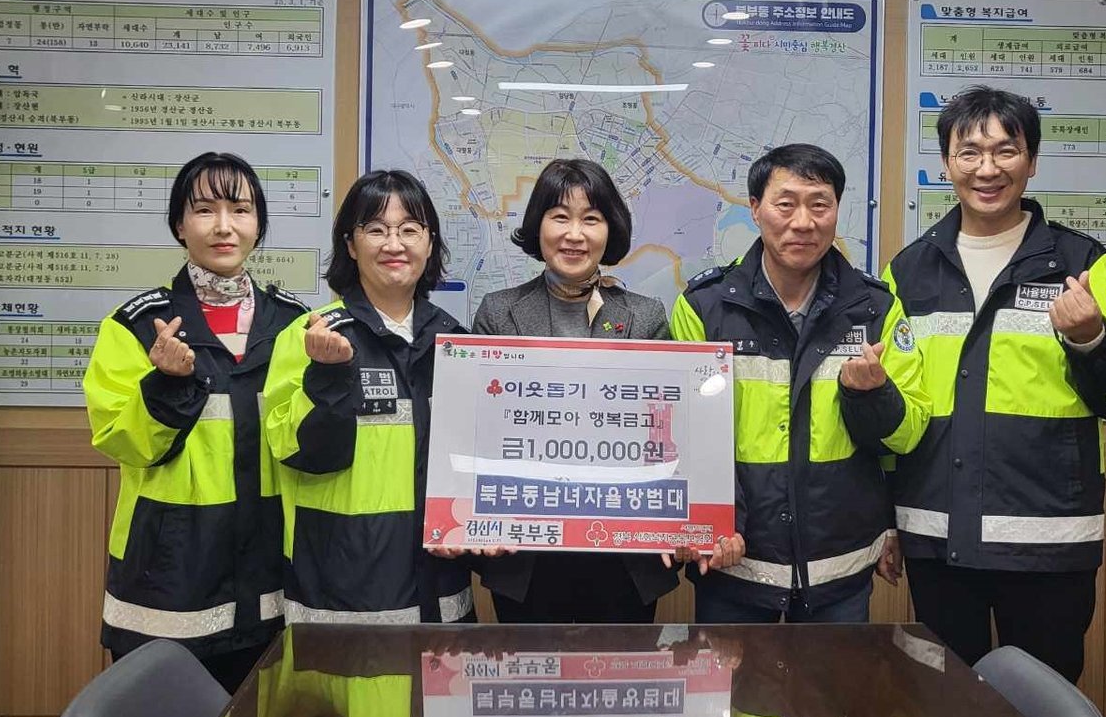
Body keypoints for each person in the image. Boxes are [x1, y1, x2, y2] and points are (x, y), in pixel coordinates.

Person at [885, 85, 1106, 682]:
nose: (987, 169)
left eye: (1005, 151)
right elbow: (894, 408)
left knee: (1041, 704)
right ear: (946, 164)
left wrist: (1092, 337)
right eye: (969, 152)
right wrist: (881, 519)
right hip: (937, 535)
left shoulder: (1082, 263)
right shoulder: (908, 271)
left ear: (1031, 162)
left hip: (1048, 542)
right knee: (945, 703)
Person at [670, 143, 930, 623]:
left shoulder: (876, 308)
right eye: (785, 204)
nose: (803, 222)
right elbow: (686, 437)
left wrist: (872, 394)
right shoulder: (705, 307)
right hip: (736, 560)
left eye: (819, 204)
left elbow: (908, 434)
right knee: (732, 677)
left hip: (838, 567)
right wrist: (719, 523)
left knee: (832, 678)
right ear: (755, 209)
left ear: (837, 210)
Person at [83, 152, 308, 692]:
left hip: (270, 582)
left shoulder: (296, 325)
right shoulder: (137, 325)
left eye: (240, 209)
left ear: (258, 224)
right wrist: (164, 384)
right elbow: (123, 441)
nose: (224, 226)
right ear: (179, 226)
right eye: (205, 210)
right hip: (167, 583)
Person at [471, 157, 679, 623]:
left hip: (624, 550)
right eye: (560, 216)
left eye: (591, 219)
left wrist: (675, 522)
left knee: (620, 668)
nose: (574, 234)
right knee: (530, 667)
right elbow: (479, 431)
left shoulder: (645, 316)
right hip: (525, 550)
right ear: (538, 225)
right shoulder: (499, 313)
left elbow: (665, 434)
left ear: (610, 230)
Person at [263, 169, 474, 625]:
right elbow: (296, 451)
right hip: (339, 591)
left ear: (430, 244)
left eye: (409, 230)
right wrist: (327, 376)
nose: (394, 244)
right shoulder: (310, 335)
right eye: (376, 229)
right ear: (351, 245)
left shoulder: (457, 343)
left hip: (439, 589)